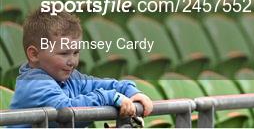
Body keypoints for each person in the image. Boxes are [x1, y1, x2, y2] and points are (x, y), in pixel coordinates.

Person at [9, 10, 153, 127]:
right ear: (34, 54)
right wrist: (110, 97)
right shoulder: (33, 83)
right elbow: (68, 112)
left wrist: (130, 91)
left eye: (76, 53)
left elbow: (103, 84)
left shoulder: (70, 78)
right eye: (64, 53)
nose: (72, 61)